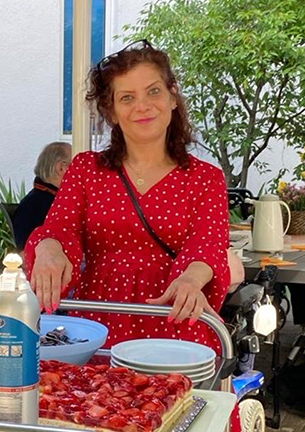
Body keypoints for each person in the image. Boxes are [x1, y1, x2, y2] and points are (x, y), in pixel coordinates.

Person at [25, 40, 231, 352]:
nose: (143, 105)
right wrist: (49, 251)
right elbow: (60, 228)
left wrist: (190, 281)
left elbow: (208, 244)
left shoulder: (205, 178)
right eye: (127, 97)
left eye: (153, 91)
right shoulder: (85, 169)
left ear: (173, 96)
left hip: (172, 318)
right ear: (112, 112)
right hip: (97, 323)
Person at [12, 142, 72, 249]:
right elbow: (25, 254)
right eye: (75, 166)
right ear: (61, 168)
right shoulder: (34, 206)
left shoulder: (51, 199)